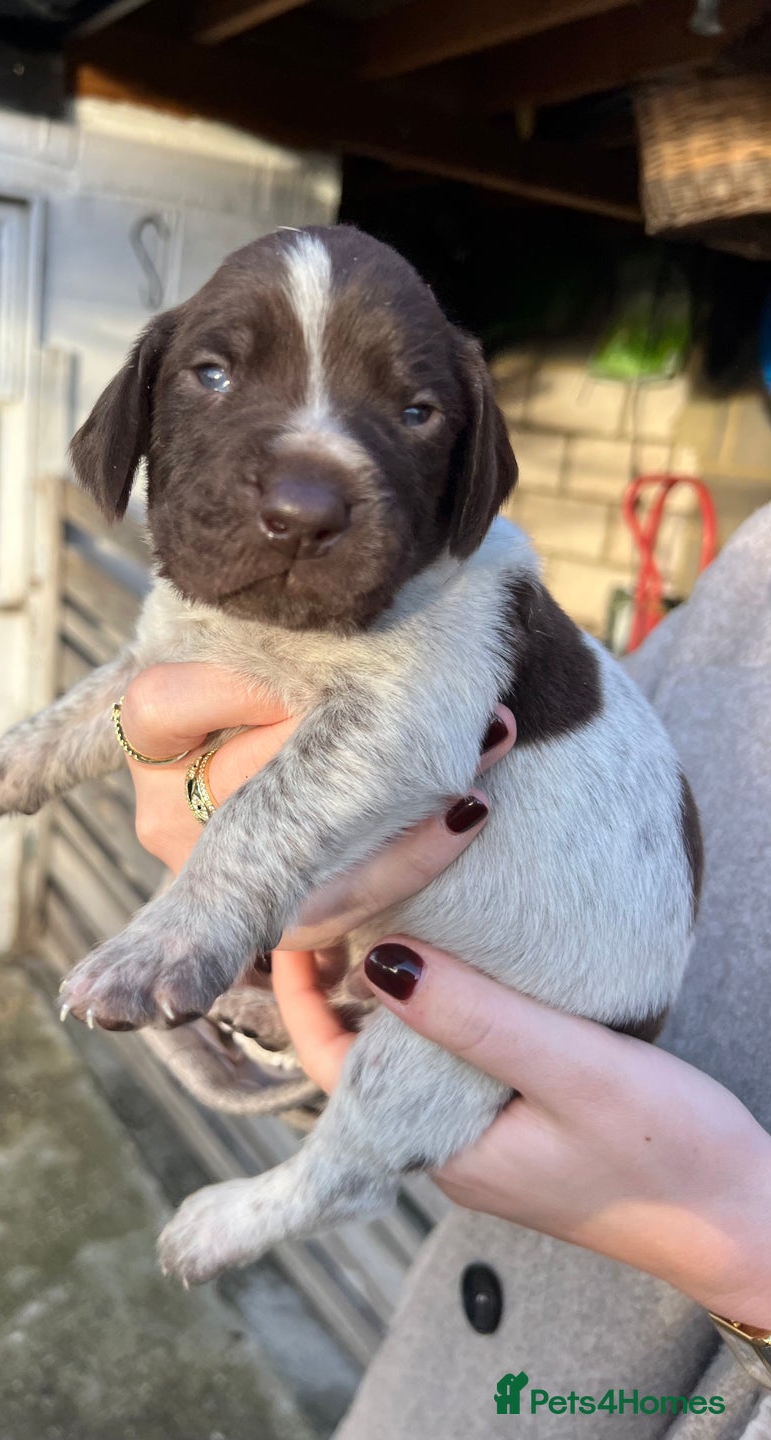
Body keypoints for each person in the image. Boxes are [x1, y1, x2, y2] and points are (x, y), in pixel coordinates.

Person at [114, 503, 771, 1438]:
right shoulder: (757, 564)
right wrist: (270, 967)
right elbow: (564, 801)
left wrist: (747, 1246)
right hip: (459, 1370)